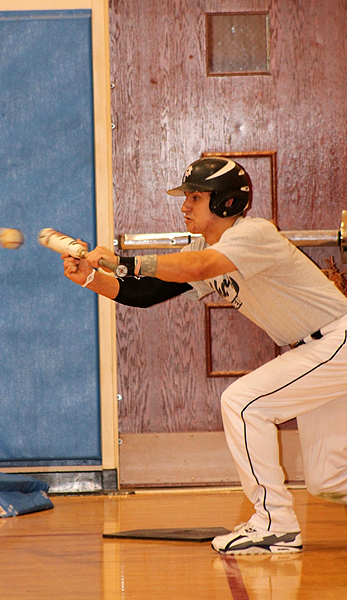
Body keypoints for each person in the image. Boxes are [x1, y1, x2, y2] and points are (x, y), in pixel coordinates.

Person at [61, 157, 347, 555]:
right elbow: (147, 294)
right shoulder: (207, 246)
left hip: (336, 342)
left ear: (226, 203)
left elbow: (198, 266)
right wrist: (92, 278)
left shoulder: (253, 235)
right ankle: (276, 522)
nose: (184, 207)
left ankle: (275, 525)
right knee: (329, 479)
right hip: (322, 350)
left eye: (194, 198)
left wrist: (124, 260)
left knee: (244, 403)